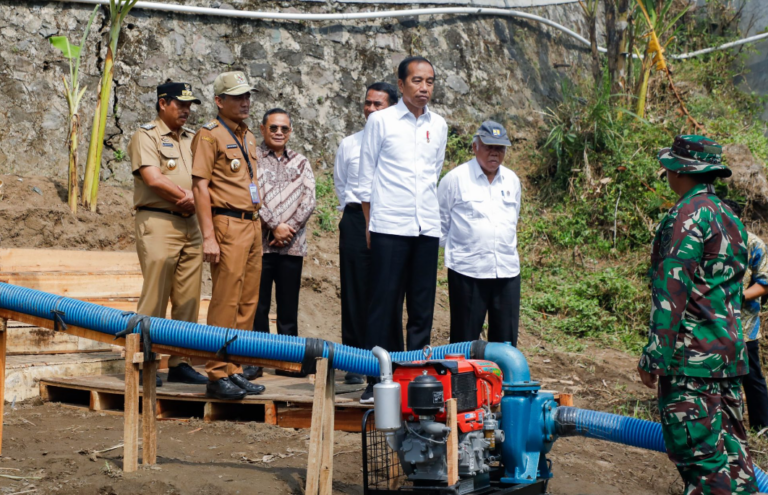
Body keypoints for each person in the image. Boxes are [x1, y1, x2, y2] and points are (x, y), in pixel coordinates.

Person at [637, 135, 757, 494]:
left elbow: (672, 293)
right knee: (735, 461)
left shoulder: (685, 217)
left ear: (680, 171)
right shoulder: (729, 216)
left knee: (702, 464)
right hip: (729, 360)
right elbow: (730, 291)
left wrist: (654, 356)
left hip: (692, 365)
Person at [353, 56, 448, 403]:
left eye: (430, 81)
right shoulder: (381, 121)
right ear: (402, 83)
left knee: (421, 307)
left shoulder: (439, 125)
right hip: (389, 225)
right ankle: (377, 379)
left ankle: (416, 379)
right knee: (384, 305)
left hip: (426, 227)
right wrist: (369, 224)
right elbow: (365, 178)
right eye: (417, 81)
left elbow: (433, 174)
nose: (424, 88)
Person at [127, 81, 208, 387]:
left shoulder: (193, 139)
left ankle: (180, 361)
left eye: (190, 105)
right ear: (163, 103)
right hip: (159, 220)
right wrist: (187, 197)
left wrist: (195, 202)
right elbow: (153, 178)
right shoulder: (146, 135)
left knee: (188, 297)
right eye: (180, 104)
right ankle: (142, 361)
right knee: (156, 294)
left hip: (191, 224)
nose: (186, 110)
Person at [191, 71, 266, 400]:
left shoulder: (247, 135)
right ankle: (216, 371)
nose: (245, 101)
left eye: (247, 95)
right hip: (227, 223)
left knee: (248, 301)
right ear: (219, 101)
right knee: (225, 300)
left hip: (252, 223)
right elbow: (199, 186)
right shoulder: (209, 135)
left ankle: (235, 367)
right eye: (237, 96)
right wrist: (209, 236)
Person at [333, 82, 398, 385]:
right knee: (354, 290)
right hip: (357, 219)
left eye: (378, 104)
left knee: (387, 291)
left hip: (390, 219)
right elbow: (341, 184)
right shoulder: (350, 143)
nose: (371, 109)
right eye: (368, 103)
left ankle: (390, 359)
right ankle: (355, 361)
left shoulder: (399, 145)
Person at [437, 121, 521, 346]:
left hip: (506, 271)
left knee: (506, 342)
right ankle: (463, 382)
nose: (495, 152)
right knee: (464, 339)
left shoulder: (512, 180)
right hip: (468, 272)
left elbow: (513, 220)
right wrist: (464, 250)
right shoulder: (455, 179)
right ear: (475, 147)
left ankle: (501, 381)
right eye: (488, 146)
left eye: (500, 148)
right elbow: (440, 225)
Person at [252, 108, 316, 378]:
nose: (279, 132)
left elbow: (309, 198)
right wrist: (273, 225)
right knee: (259, 306)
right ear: (263, 128)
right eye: (274, 128)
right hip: (260, 245)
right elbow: (250, 192)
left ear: (291, 131)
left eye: (284, 129)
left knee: (288, 306)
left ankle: (288, 361)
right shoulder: (252, 159)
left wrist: (288, 229)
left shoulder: (301, 162)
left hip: (292, 246)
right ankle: (256, 359)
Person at [722, 199, 768, 431]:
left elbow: (764, 283)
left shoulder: (754, 244)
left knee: (752, 377)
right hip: (714, 325)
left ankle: (761, 426)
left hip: (744, 325)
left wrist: (737, 297)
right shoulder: (711, 240)